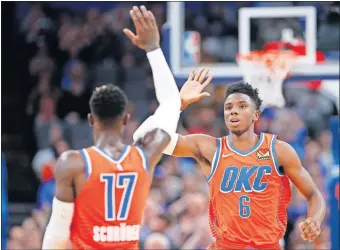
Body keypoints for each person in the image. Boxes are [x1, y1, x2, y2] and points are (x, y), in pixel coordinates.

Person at [41, 6, 203, 249]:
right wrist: (153, 48)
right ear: (126, 119)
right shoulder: (145, 154)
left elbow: (57, 233)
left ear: (90, 120)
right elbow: (169, 102)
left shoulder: (71, 163)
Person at [134, 78, 326, 249]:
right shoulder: (210, 148)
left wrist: (315, 220)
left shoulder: (278, 150)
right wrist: (178, 103)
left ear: (255, 115)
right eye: (228, 107)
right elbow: (145, 138)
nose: (234, 111)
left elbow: (313, 195)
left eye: (242, 106)